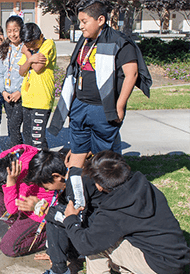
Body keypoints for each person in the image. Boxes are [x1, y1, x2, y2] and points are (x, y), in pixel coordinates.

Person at [63, 151, 190, 274]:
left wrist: (70, 219)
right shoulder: (144, 185)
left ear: (98, 186)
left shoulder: (115, 210)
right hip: (177, 255)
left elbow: (86, 245)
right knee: (111, 252)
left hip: (160, 265)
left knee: (96, 247)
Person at [48, 0, 152, 168]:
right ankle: (73, 190)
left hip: (103, 108)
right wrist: (71, 104)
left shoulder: (119, 41)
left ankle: (106, 189)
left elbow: (131, 74)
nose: (80, 26)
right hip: (80, 106)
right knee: (77, 149)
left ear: (101, 20)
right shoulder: (84, 41)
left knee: (104, 157)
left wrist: (120, 105)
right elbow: (75, 72)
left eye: (84, 21)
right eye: (79, 21)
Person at [20, 149, 100, 274]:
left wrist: (40, 208)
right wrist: (54, 249)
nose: (46, 190)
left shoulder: (76, 183)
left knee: (53, 217)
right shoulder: (68, 176)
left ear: (56, 176)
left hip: (98, 233)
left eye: (45, 186)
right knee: (54, 212)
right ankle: (60, 256)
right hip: (89, 226)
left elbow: (75, 220)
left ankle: (60, 271)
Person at [0, 139, 56, 257]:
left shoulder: (27, 172)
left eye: (3, 185)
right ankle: (18, 226)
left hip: (40, 208)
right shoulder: (7, 159)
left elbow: (11, 209)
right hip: (24, 198)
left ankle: (50, 236)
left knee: (8, 247)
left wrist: (11, 184)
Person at [18, 23, 56, 151]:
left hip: (41, 100)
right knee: (28, 137)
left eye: (34, 44)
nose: (32, 48)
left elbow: (38, 68)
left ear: (41, 36)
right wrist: (30, 59)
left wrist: (28, 54)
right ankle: (32, 163)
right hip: (28, 99)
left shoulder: (48, 44)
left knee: (37, 139)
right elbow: (21, 71)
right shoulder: (29, 51)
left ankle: (43, 166)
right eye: (28, 46)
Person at [0, 15, 25, 148]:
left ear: (22, 30)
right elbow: (0, 73)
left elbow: (30, 74)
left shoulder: (26, 48)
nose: (12, 34)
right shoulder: (4, 48)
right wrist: (2, 91)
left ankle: (19, 153)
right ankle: (15, 150)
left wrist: (20, 91)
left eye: (15, 30)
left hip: (21, 95)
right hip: (7, 95)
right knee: (11, 124)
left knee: (14, 126)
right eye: (9, 31)